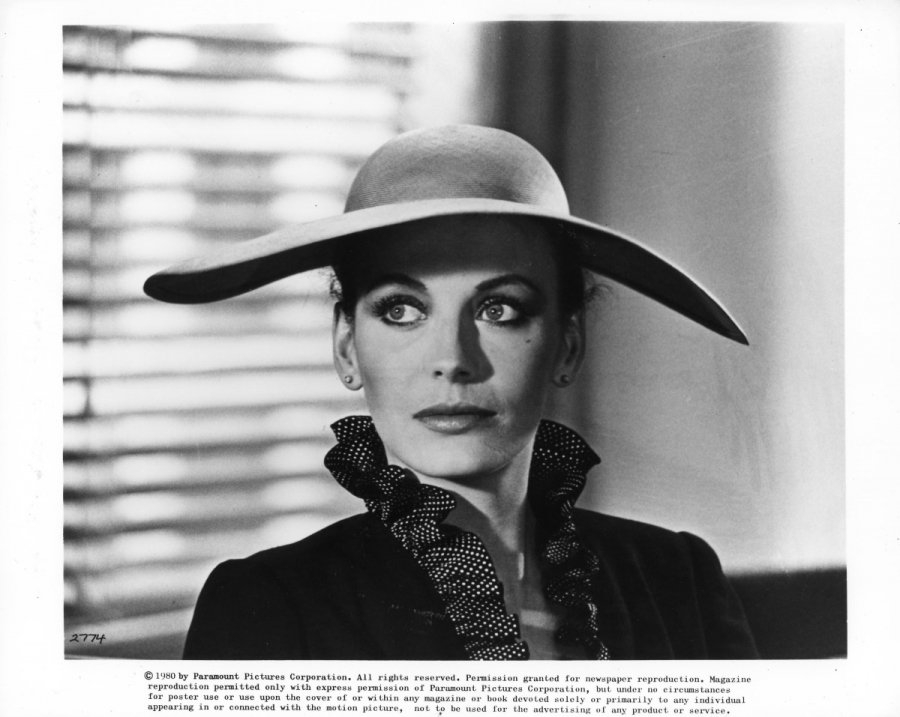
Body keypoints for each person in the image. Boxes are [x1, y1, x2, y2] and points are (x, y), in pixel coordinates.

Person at [144, 125, 758, 660]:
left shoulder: (679, 578)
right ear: (347, 347)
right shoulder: (269, 604)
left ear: (567, 346)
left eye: (500, 309)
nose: (453, 361)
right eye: (401, 310)